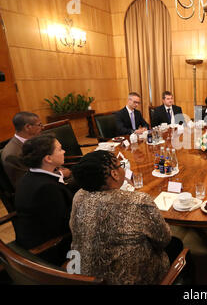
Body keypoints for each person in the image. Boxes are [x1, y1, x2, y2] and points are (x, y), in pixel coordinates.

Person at [70, 150, 177, 284]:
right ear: (114, 174)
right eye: (120, 165)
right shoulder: (138, 201)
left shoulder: (79, 196)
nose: (122, 168)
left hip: (85, 276)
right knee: (177, 246)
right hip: (129, 279)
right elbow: (163, 239)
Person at [14, 134, 73, 263]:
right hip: (49, 248)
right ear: (48, 158)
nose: (64, 151)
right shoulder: (46, 188)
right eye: (59, 149)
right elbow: (65, 224)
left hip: (32, 233)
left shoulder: (29, 176)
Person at [1, 112, 43, 188]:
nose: (42, 127)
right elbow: (27, 183)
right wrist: (59, 174)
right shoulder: (12, 155)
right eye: (39, 125)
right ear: (27, 127)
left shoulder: (34, 139)